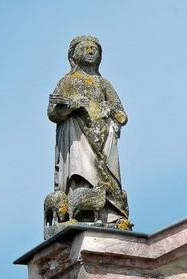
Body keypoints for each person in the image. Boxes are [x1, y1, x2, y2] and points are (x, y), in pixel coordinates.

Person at [47, 35, 129, 225]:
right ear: (73, 55)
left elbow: (121, 113)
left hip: (103, 134)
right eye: (85, 48)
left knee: (107, 171)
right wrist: (71, 108)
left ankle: (111, 212)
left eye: (95, 48)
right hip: (78, 135)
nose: (91, 51)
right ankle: (80, 205)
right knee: (82, 167)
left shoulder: (103, 83)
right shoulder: (68, 81)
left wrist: (111, 114)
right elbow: (53, 113)